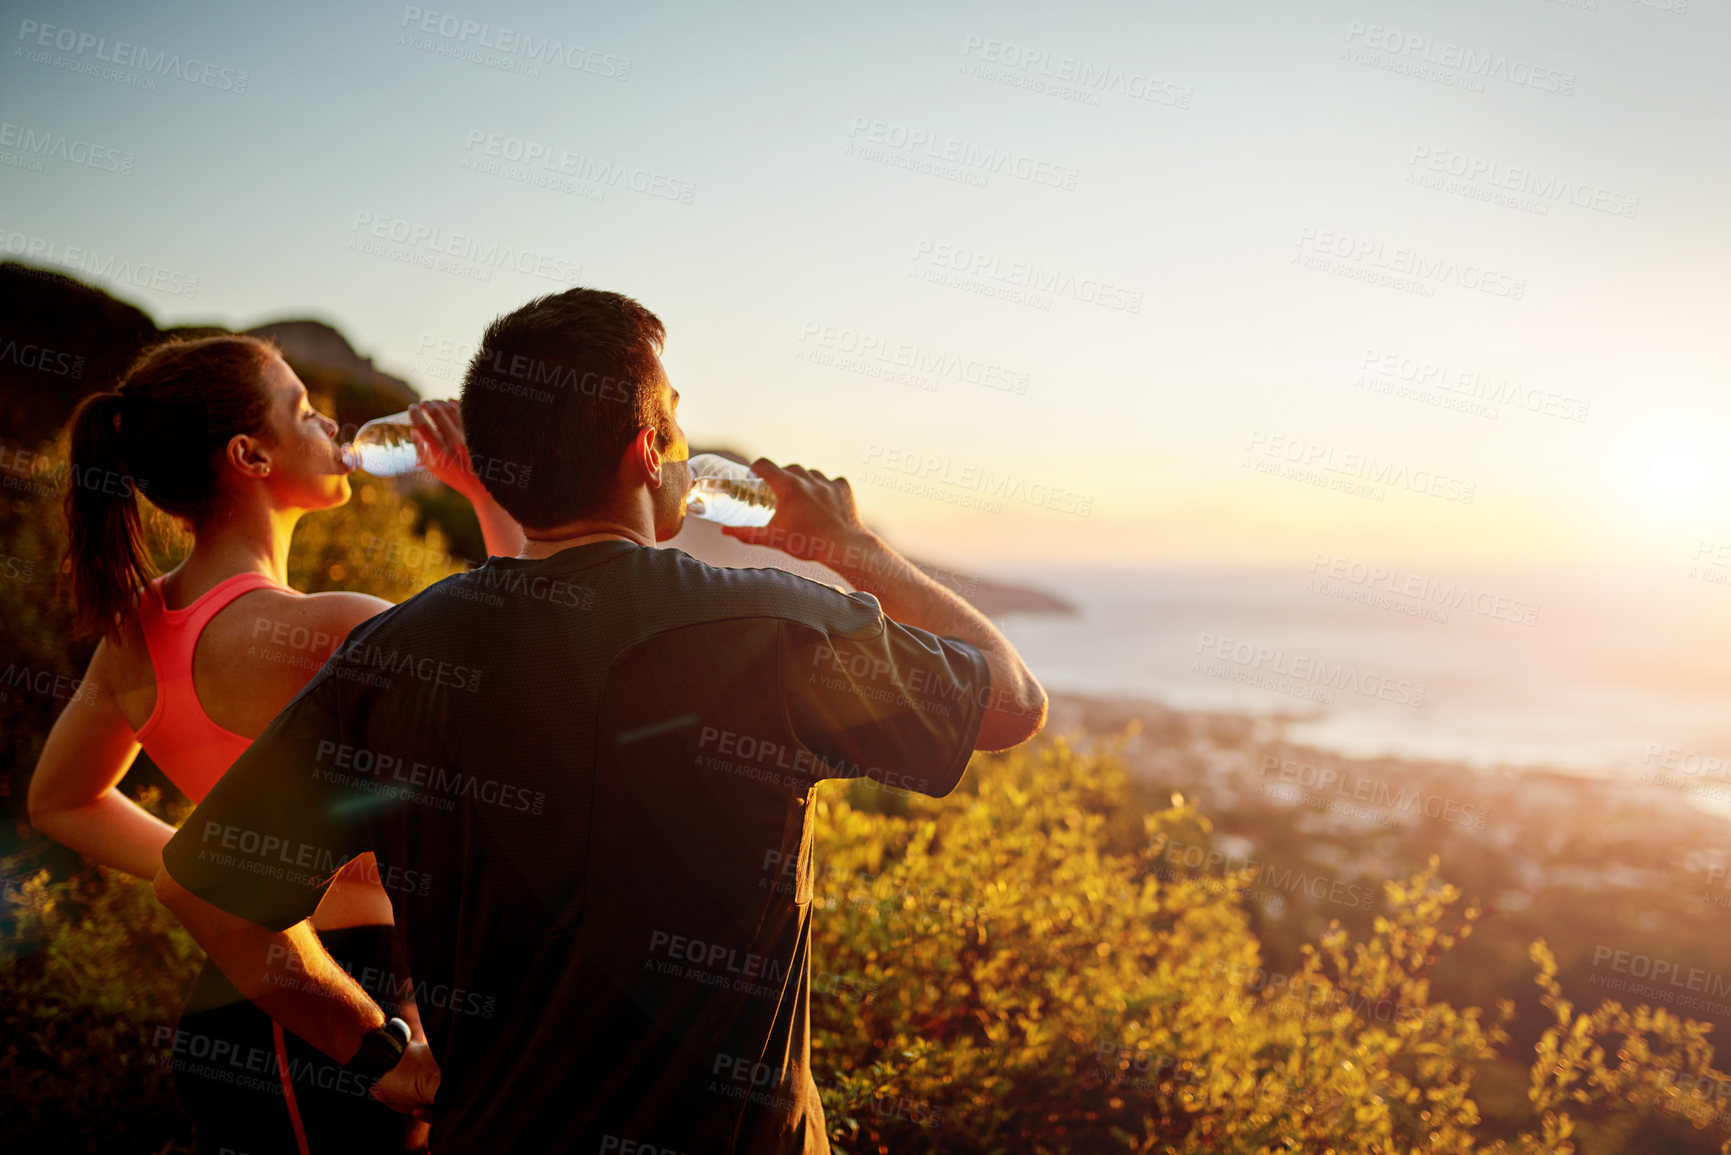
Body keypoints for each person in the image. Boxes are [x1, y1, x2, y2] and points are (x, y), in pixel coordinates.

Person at [152, 288, 1048, 1153]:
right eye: (675, 421)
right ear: (644, 450)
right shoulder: (769, 627)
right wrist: (852, 550)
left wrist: (376, 1050)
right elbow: (1010, 702)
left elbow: (205, 889)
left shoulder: (392, 654)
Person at [28, 333, 525, 1154]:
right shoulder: (332, 627)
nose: (331, 423)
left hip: (241, 996)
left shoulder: (137, 630)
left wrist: (212, 870)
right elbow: (529, 666)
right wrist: (486, 491)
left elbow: (61, 799)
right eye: (301, 409)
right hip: (339, 1002)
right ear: (249, 454)